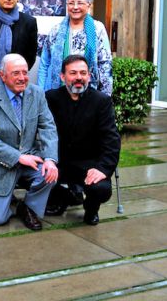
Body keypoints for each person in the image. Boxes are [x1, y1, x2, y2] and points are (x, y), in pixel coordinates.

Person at [0, 54, 58, 231]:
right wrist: (18, 157)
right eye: (16, 73)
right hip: (1, 163)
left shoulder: (36, 93)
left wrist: (50, 159)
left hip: (31, 158)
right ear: (2, 75)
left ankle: (28, 207)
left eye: (25, 72)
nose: (22, 78)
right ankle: (2, 202)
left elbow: (48, 127)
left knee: (49, 174)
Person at [45, 55, 120, 225]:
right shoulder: (50, 98)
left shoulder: (102, 101)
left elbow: (112, 140)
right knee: (33, 176)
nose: (79, 77)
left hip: (88, 164)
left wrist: (102, 169)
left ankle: (91, 208)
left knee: (100, 188)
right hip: (59, 161)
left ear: (89, 76)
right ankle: (65, 197)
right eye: (73, 73)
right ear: (62, 77)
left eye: (83, 73)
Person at [38, 0, 113, 96]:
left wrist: (106, 96)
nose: (75, 7)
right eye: (71, 3)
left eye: (80, 3)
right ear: (67, 5)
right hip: (59, 93)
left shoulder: (97, 29)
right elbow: (44, 64)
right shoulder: (56, 30)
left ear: (88, 5)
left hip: (89, 93)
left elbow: (105, 64)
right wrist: (41, 93)